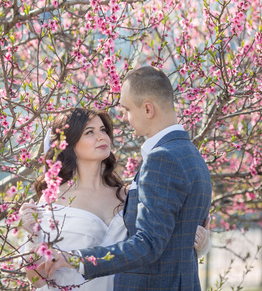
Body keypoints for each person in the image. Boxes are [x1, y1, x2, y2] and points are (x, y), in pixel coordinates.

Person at [19, 105, 211, 290]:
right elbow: (36, 277)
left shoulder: (127, 194)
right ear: (69, 144)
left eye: (103, 130)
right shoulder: (52, 201)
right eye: (90, 132)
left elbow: (153, 243)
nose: (102, 136)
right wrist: (31, 235)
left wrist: (200, 245)